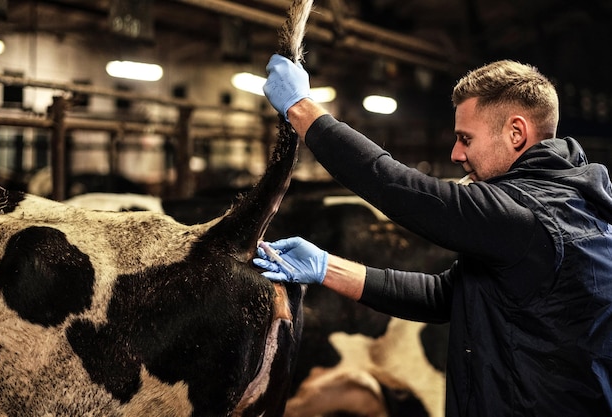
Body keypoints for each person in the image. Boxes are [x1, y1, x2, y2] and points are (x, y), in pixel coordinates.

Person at [253, 54, 612, 416]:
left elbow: (392, 184)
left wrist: (301, 109)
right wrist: (327, 267)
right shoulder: (568, 203)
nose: (456, 154)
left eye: (465, 139)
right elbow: (443, 296)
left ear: (516, 133)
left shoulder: (528, 220)